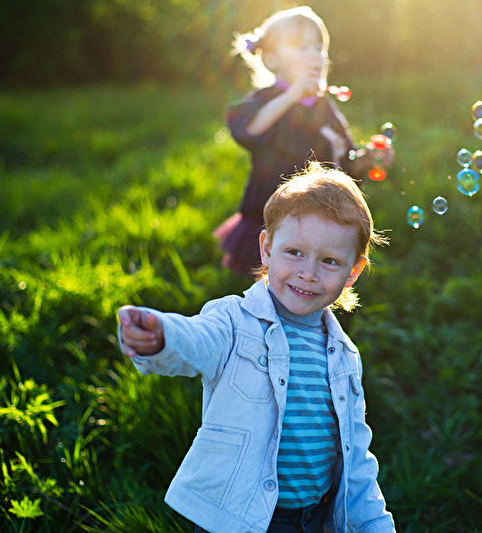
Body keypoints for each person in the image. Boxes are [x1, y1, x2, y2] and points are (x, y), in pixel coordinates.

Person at [118, 163, 396, 533]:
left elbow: (355, 454)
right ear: (266, 249)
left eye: (329, 261)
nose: (308, 273)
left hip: (312, 520)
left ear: (353, 272)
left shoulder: (344, 355)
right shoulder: (235, 321)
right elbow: (199, 339)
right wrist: (164, 335)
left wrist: (374, 524)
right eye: (294, 252)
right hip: (238, 518)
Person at [215, 5, 394, 277]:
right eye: (302, 47)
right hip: (271, 213)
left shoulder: (324, 107)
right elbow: (249, 129)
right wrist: (292, 94)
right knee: (270, 279)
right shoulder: (268, 101)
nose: (314, 55)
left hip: (318, 218)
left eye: (319, 48)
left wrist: (366, 159)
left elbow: (343, 159)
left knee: (310, 276)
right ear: (271, 60)